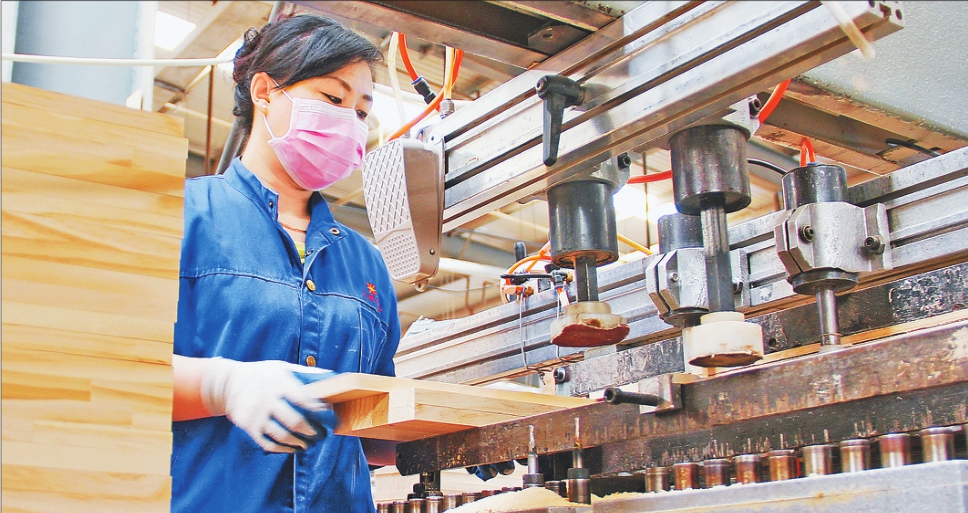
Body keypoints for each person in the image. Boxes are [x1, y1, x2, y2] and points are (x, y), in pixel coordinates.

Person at [170, 14, 400, 513]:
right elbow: (109, 372)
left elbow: (368, 426)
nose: (350, 122)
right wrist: (222, 387)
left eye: (362, 112)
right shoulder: (180, 216)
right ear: (264, 92)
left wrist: (452, 438)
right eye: (333, 98)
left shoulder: (365, 262)